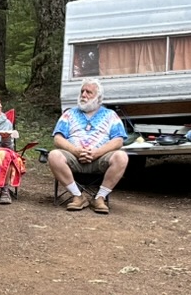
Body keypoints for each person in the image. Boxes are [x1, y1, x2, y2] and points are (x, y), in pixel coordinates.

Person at [47, 78, 129, 214]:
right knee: (54, 155)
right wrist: (76, 151)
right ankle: (78, 196)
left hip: (100, 158)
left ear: (98, 97)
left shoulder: (110, 115)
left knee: (121, 156)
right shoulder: (69, 114)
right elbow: (58, 138)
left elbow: (118, 140)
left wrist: (97, 152)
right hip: (73, 157)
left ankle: (100, 198)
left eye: (88, 92)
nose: (83, 95)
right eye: (82, 91)